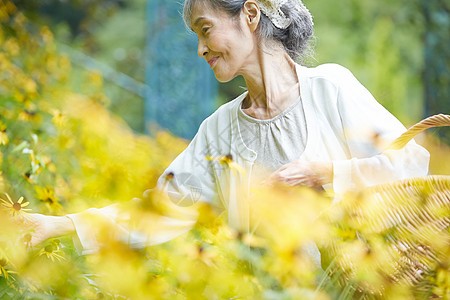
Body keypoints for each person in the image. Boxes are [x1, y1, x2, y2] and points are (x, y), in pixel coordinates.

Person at [24, 0, 429, 257]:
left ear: (250, 15)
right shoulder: (220, 130)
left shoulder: (329, 87)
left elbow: (412, 164)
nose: (200, 48)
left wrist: (328, 174)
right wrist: (60, 225)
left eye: (205, 29)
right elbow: (160, 209)